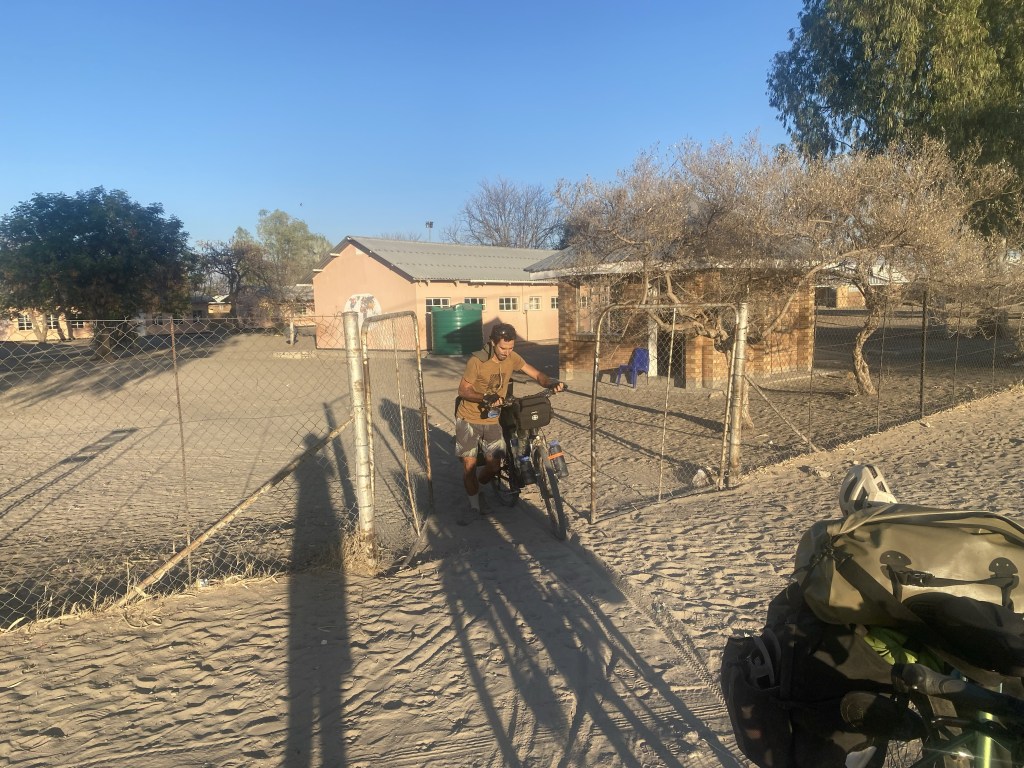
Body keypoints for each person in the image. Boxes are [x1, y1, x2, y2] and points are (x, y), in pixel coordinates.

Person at [455, 323, 564, 525]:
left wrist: (550, 383)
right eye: (503, 348)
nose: (507, 352)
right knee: (469, 466)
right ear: (493, 343)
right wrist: (485, 397)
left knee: (494, 464)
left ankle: (478, 487)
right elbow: (463, 390)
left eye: (511, 348)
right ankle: (474, 504)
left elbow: (537, 374)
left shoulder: (512, 358)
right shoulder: (476, 361)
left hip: (493, 419)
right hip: (468, 418)